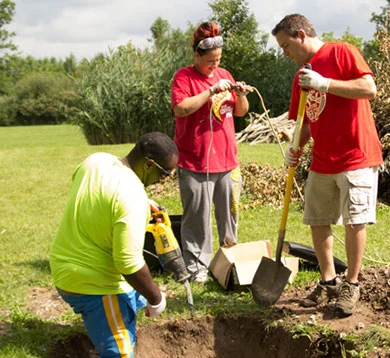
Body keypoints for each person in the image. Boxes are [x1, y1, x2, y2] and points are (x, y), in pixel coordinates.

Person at [272, 14, 383, 316]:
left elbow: (369, 88)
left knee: (354, 220)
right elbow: (306, 122)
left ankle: (353, 283)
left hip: (356, 154)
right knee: (317, 219)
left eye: (285, 46)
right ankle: (328, 281)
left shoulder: (341, 52)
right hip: (322, 158)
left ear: (300, 35)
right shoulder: (301, 76)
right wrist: (296, 148)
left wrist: (326, 83)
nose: (284, 53)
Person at [50, 132, 178, 357]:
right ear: (149, 164)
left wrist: (139, 203)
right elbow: (128, 264)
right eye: (165, 173)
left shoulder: (96, 161)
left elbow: (95, 193)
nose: (165, 178)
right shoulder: (132, 197)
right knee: (121, 354)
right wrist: (156, 300)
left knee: (133, 297)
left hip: (62, 266)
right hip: (92, 285)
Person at [170, 21, 253, 283]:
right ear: (196, 55)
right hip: (194, 162)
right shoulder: (184, 77)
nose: (214, 66)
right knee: (197, 219)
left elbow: (241, 111)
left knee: (229, 217)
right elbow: (181, 108)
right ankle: (197, 268)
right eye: (210, 61)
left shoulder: (224, 73)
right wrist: (209, 91)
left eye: (217, 60)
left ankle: (228, 261)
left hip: (228, 161)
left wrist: (239, 94)